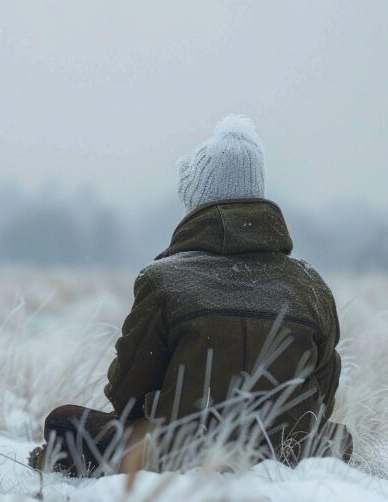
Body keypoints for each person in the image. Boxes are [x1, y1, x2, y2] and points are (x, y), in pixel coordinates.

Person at [30, 115, 352, 476]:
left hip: (179, 458)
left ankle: (78, 468)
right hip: (287, 456)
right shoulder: (310, 285)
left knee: (64, 423)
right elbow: (323, 397)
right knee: (338, 438)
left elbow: (126, 394)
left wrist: (167, 409)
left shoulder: (163, 281)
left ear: (197, 201)